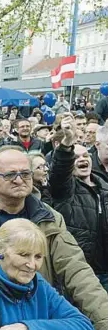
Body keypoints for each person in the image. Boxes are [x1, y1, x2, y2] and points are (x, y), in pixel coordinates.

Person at [0, 146, 108, 330]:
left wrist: (105, 322)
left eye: (25, 174)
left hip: (34, 314)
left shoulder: (49, 218)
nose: (19, 180)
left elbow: (77, 270)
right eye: (11, 175)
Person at [0, 219, 94, 330]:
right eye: (23, 254)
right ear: (0, 251)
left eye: (38, 256)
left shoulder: (38, 284)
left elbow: (84, 327)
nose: (32, 265)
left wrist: (27, 327)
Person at [49, 116, 108, 291]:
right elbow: (59, 171)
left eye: (85, 155)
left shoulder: (104, 186)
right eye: (76, 157)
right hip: (83, 271)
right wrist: (67, 142)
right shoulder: (65, 190)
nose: (83, 159)